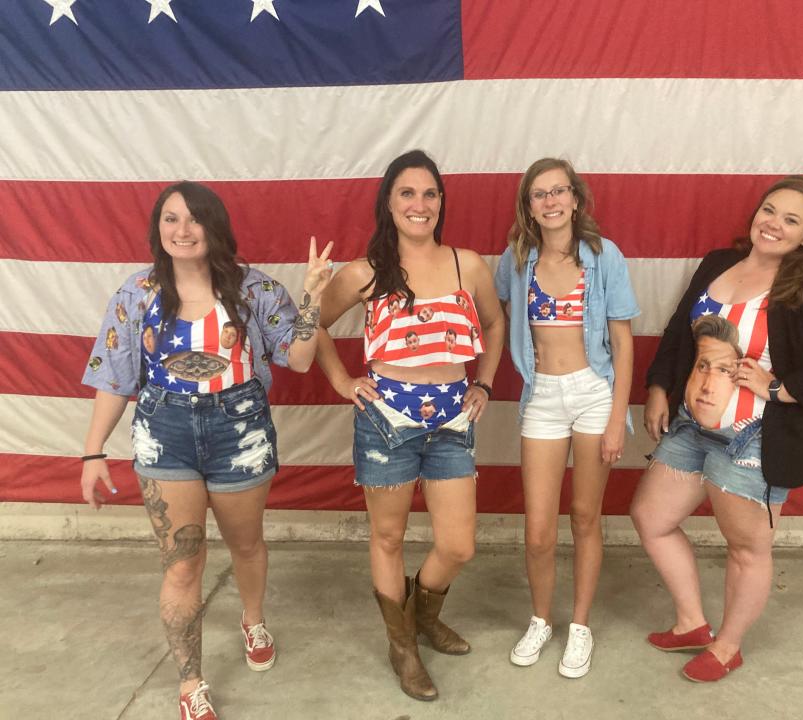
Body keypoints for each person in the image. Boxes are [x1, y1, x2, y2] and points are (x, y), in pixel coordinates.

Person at [80, 181, 334, 720]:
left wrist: (311, 295)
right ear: (158, 229)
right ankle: (190, 680)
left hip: (238, 430)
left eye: (194, 219)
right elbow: (115, 378)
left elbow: (301, 358)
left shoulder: (253, 289)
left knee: (246, 545)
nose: (182, 230)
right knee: (182, 566)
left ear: (215, 226)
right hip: (164, 433)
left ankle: (253, 618)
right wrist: (91, 451)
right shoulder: (136, 294)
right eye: (170, 219)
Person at [631, 176, 803, 682]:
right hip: (690, 425)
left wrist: (779, 386)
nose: (774, 224)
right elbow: (680, 331)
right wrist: (657, 388)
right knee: (651, 517)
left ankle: (727, 647)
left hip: (754, 438)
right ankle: (693, 623)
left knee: (746, 547)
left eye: (791, 220)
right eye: (769, 210)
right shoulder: (718, 264)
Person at [314, 150, 504, 701]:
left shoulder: (468, 264)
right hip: (385, 418)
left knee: (458, 544)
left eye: (429, 194)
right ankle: (402, 646)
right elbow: (316, 325)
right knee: (389, 536)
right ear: (389, 203)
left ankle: (419, 614)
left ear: (441, 202)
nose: (419, 205)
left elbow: (493, 321)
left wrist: (484, 383)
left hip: (450, 417)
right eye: (407, 193)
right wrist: (342, 381)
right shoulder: (366, 271)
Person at [494, 158, 640, 678]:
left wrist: (618, 416)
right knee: (538, 531)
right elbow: (496, 320)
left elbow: (622, 343)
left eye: (559, 191)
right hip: (543, 396)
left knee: (584, 516)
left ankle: (580, 625)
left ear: (576, 199)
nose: (551, 201)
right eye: (539, 194)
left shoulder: (604, 256)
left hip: (593, 393)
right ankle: (541, 619)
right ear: (528, 206)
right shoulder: (516, 260)